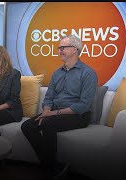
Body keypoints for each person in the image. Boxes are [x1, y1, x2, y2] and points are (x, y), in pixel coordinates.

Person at [21, 35, 98, 179]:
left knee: (48, 124)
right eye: (59, 48)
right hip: (54, 113)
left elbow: (83, 105)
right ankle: (54, 166)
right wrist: (46, 111)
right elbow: (49, 97)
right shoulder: (57, 73)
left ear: (74, 49)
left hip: (78, 115)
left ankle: (50, 171)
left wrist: (52, 114)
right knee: (27, 126)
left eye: (63, 48)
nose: (59, 51)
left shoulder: (88, 73)